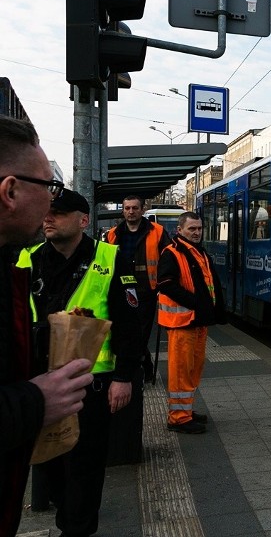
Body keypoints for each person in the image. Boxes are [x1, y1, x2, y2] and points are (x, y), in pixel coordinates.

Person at [16, 189, 142, 537]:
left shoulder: (111, 258)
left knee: (84, 468)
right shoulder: (29, 259)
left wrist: (124, 376)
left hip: (91, 385)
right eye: (46, 212)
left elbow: (131, 322)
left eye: (57, 212)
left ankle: (78, 529)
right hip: (41, 383)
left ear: (83, 220)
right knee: (51, 464)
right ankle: (65, 518)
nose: (48, 218)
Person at [0, 116, 93, 535]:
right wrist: (36, 401)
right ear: (11, 191)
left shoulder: (9, 261)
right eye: (48, 187)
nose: (51, 205)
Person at [157, 212, 225, 435]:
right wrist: (195, 302)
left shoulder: (198, 252)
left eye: (199, 228)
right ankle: (177, 417)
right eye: (191, 229)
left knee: (193, 369)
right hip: (182, 322)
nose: (196, 232)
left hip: (196, 321)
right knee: (181, 371)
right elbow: (165, 284)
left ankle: (186, 410)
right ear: (180, 230)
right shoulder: (172, 253)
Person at [105, 195, 172, 383]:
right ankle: (145, 365)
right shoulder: (113, 234)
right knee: (124, 330)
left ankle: (137, 370)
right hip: (120, 291)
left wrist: (163, 283)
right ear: (123, 210)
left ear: (142, 209)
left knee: (140, 333)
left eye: (135, 208)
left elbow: (168, 258)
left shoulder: (157, 231)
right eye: (127, 208)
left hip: (146, 291)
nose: (131, 212)